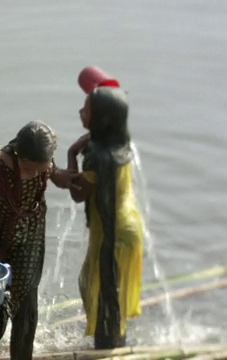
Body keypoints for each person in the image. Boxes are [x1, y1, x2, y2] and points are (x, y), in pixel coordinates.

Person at [0, 120, 77, 358]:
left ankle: (22, 355)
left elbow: (58, 176)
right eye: (28, 167)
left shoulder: (42, 160)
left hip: (29, 236)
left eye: (40, 168)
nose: (33, 174)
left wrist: (72, 171)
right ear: (18, 155)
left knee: (25, 302)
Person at [66, 85, 144, 349]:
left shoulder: (96, 156)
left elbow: (78, 193)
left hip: (114, 234)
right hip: (129, 226)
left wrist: (70, 156)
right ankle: (116, 344)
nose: (80, 111)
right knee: (107, 294)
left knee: (103, 297)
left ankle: (109, 350)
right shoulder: (120, 143)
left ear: (101, 119)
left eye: (86, 109)